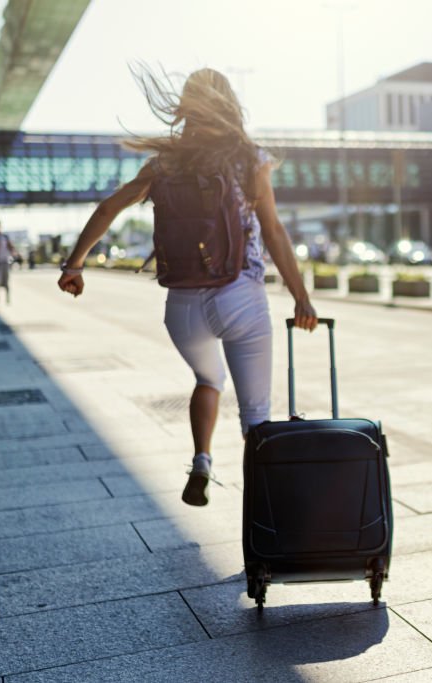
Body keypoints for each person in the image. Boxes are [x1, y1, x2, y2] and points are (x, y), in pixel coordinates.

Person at [56, 67, 318, 507]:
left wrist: (74, 264)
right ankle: (265, 522)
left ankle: (201, 459)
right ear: (229, 103)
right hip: (240, 296)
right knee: (256, 418)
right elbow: (272, 230)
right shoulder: (248, 157)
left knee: (207, 378)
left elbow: (107, 209)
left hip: (183, 307)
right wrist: (301, 296)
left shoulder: (163, 162)